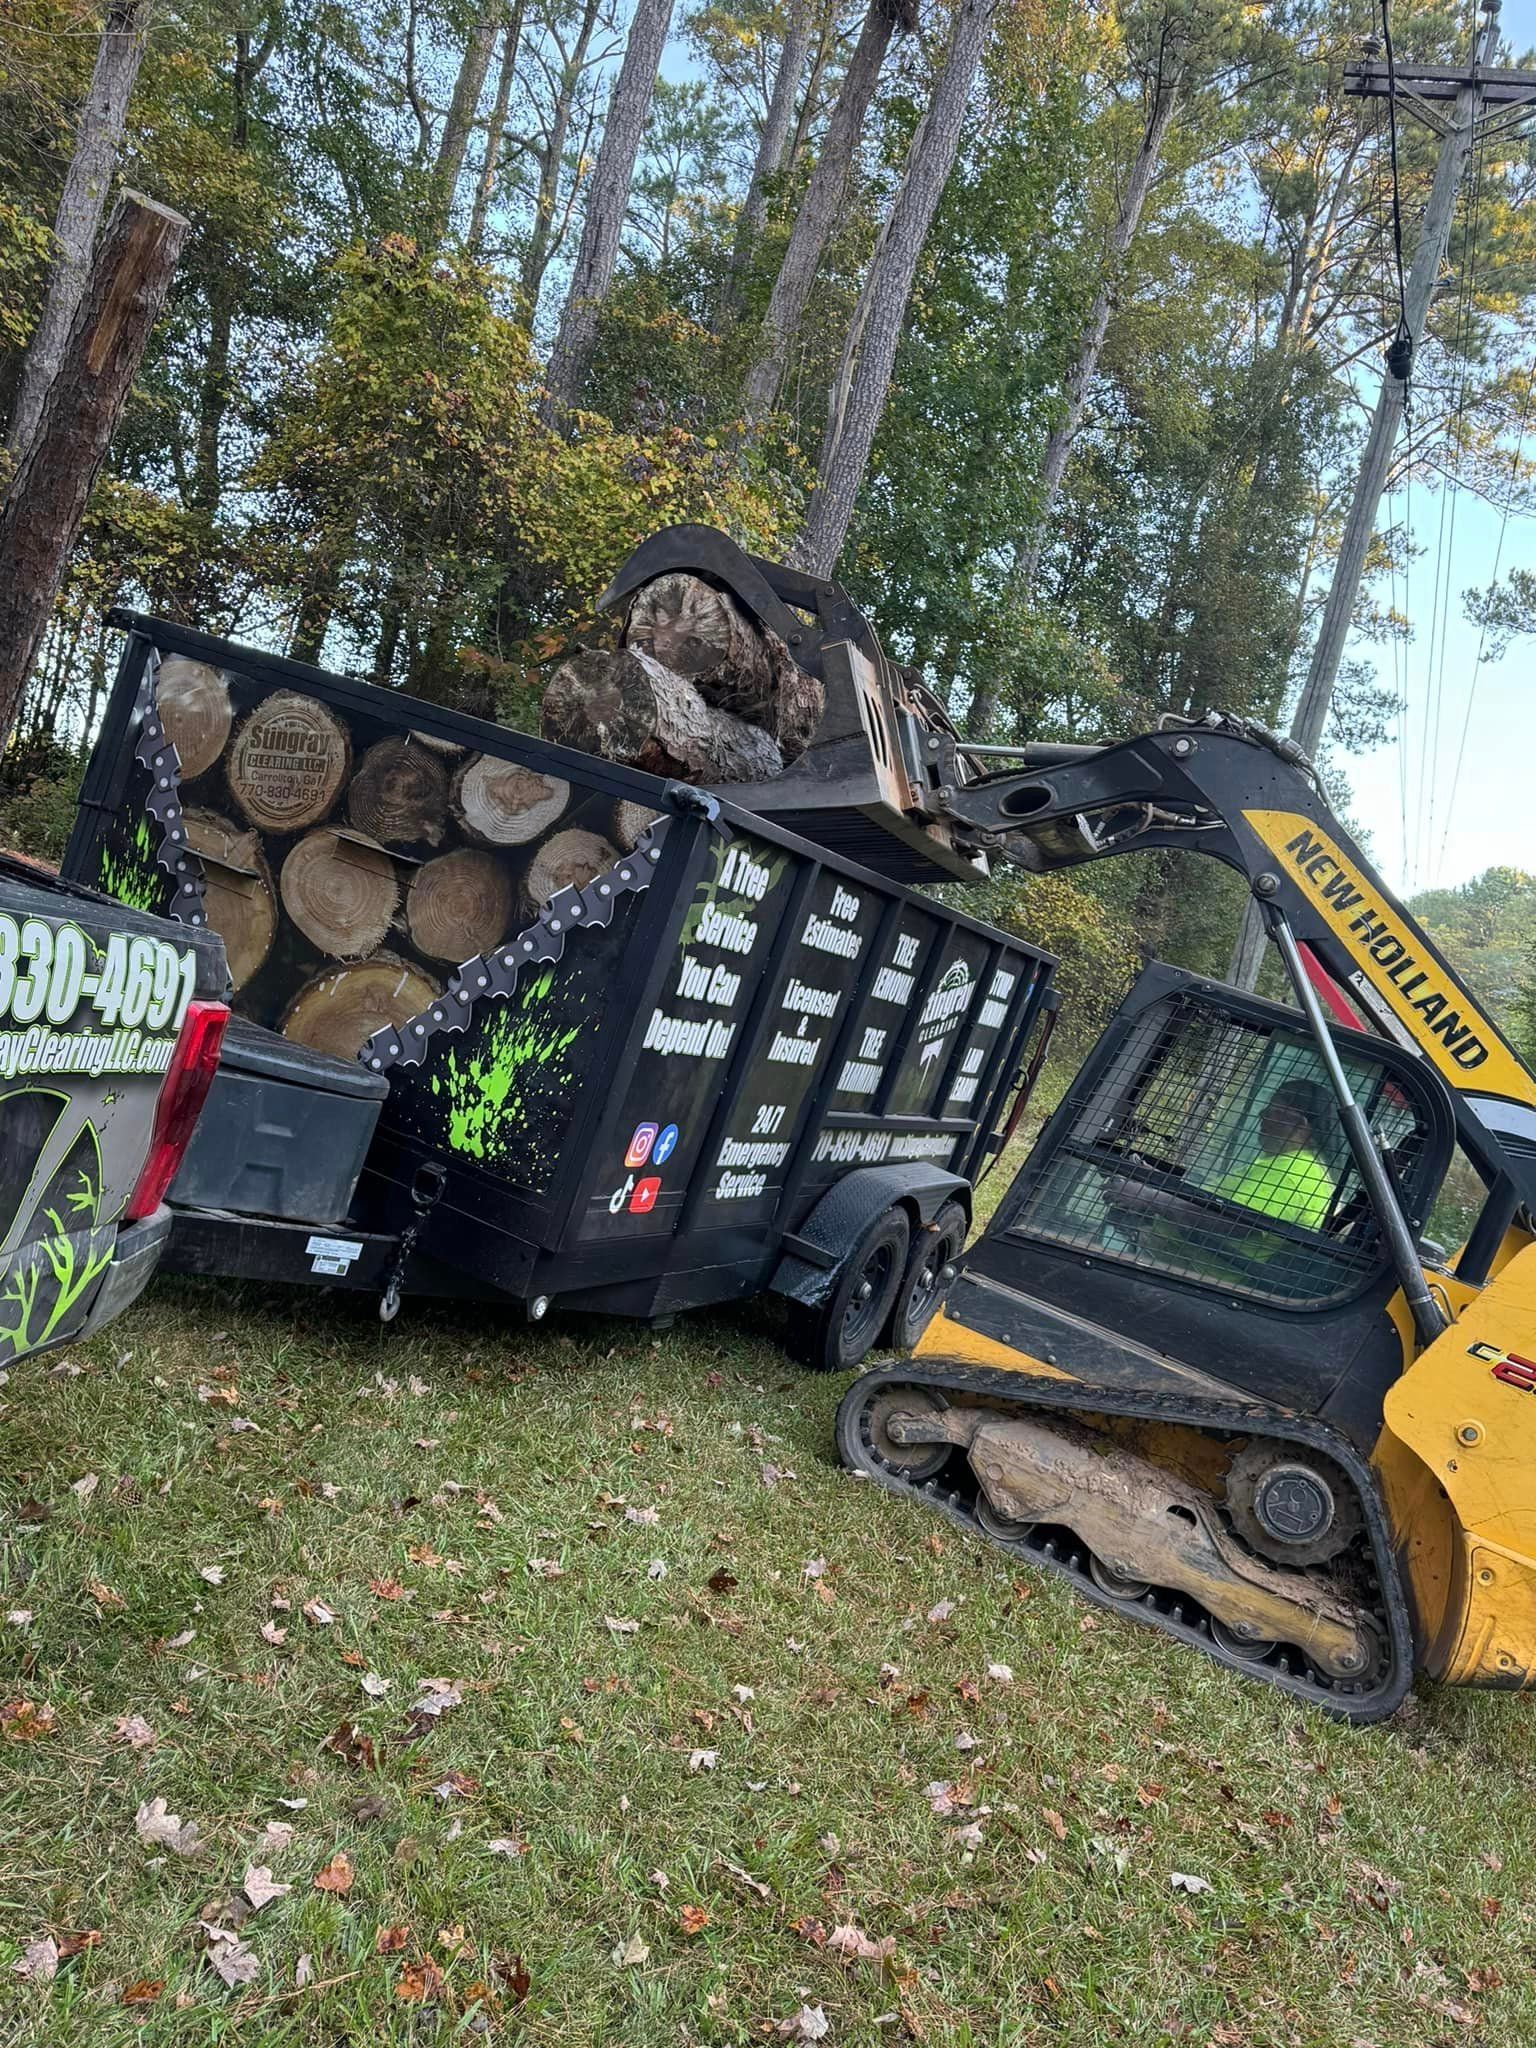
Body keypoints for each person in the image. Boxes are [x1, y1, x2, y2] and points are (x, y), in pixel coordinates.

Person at [1103, 1077, 1337, 1277]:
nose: (1261, 1115)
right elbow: (1214, 1201)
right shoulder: (1286, 1163)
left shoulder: (1295, 1175)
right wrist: (1156, 1179)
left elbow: (1232, 1221)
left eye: (1271, 1110)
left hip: (1191, 1269)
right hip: (1176, 1251)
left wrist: (1149, 1197)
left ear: (1299, 1124)